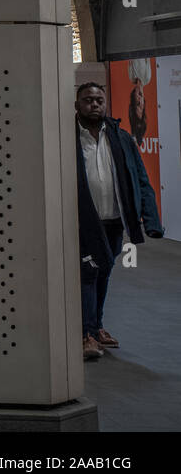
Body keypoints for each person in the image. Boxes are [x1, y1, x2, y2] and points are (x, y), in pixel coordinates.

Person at [74, 82, 163, 359]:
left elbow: (140, 179)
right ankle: (86, 334)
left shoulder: (121, 138)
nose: (95, 104)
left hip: (113, 221)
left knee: (104, 272)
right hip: (82, 222)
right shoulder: (66, 140)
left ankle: (97, 327)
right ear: (77, 106)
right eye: (88, 100)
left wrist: (151, 221)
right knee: (87, 274)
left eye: (99, 100)